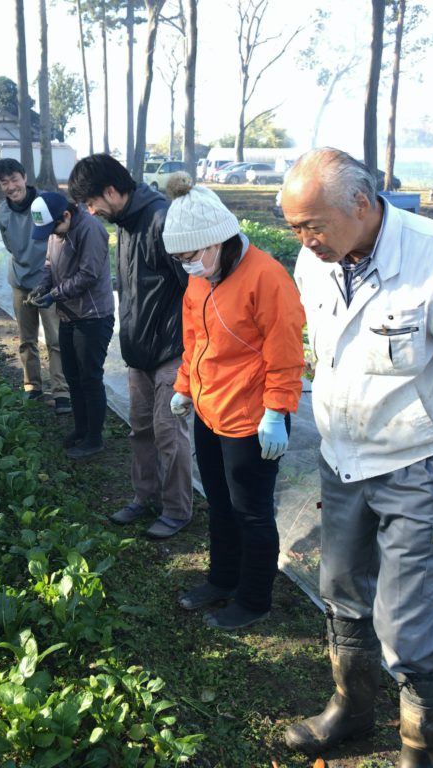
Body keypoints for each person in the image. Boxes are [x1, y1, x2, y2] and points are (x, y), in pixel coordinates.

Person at [280, 148, 433, 767]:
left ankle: (421, 749)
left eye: (313, 225)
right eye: (295, 228)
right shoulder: (315, 262)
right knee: (343, 593)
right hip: (343, 459)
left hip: (419, 467)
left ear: (362, 202)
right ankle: (351, 710)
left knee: (412, 626)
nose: (305, 240)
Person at [161, 172, 305, 630]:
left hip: (251, 418)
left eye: (191, 256)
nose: (188, 265)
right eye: (180, 259)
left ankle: (254, 597)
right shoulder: (201, 277)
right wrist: (185, 385)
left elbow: (286, 353)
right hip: (209, 409)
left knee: (252, 512)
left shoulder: (267, 277)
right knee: (219, 504)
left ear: (218, 241)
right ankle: (221, 579)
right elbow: (195, 337)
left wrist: (277, 411)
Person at [68, 153, 193, 539]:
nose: (91, 211)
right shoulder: (124, 222)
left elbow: (192, 290)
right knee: (140, 429)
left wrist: (187, 348)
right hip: (139, 351)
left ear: (111, 191)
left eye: (92, 203)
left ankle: (176, 509)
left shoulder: (161, 220)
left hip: (172, 349)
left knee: (168, 432)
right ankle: (145, 497)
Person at [27, 191, 115, 459]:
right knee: (72, 376)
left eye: (53, 227)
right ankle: (81, 430)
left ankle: (94, 438)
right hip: (68, 314)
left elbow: (88, 275)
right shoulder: (57, 230)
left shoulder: (91, 230)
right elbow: (49, 264)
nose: (52, 234)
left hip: (92, 316)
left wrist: (53, 295)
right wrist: (43, 286)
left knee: (90, 377)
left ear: (65, 215)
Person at [0, 158, 70, 414]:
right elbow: (9, 245)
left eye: (14, 179)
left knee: (55, 338)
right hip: (20, 281)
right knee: (27, 339)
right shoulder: (2, 212)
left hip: (48, 281)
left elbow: (61, 238)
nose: (11, 186)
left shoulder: (44, 204)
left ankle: (61, 391)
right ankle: (32, 387)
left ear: (24, 177)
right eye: (4, 182)